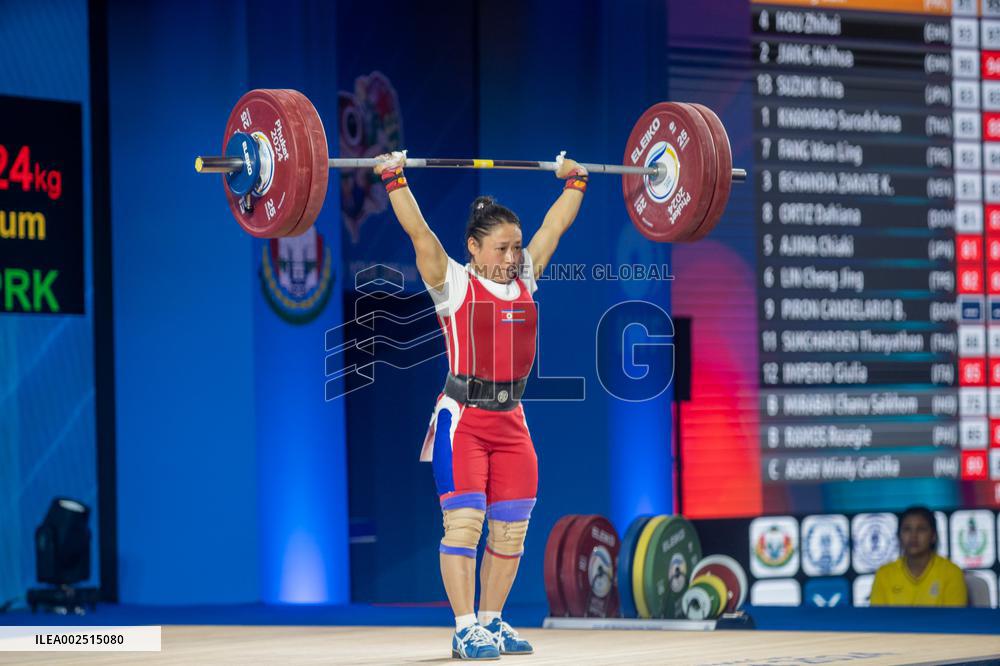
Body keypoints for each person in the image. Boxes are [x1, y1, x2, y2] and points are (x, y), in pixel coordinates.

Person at [374, 150, 587, 660]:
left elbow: (554, 228)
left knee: (511, 530)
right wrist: (393, 175)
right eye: (503, 248)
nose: (514, 257)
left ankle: (491, 622)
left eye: (516, 247)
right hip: (462, 421)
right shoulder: (454, 283)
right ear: (474, 247)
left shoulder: (525, 279)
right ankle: (464, 625)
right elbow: (420, 233)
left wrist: (575, 179)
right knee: (465, 525)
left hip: (513, 421)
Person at [870, 506, 967, 607]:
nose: (913, 536)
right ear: (899, 536)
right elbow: (878, 620)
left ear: (933, 536)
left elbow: (953, 621)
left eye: (921, 529)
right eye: (907, 529)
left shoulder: (952, 573)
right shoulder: (884, 574)